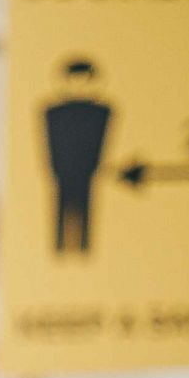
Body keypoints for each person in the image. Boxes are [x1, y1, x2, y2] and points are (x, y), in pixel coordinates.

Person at [43, 58, 113, 256]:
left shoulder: (100, 112)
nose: (79, 84)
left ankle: (82, 248)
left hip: (86, 172)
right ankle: (63, 248)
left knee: (85, 214)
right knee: (61, 214)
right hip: (63, 172)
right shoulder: (54, 112)